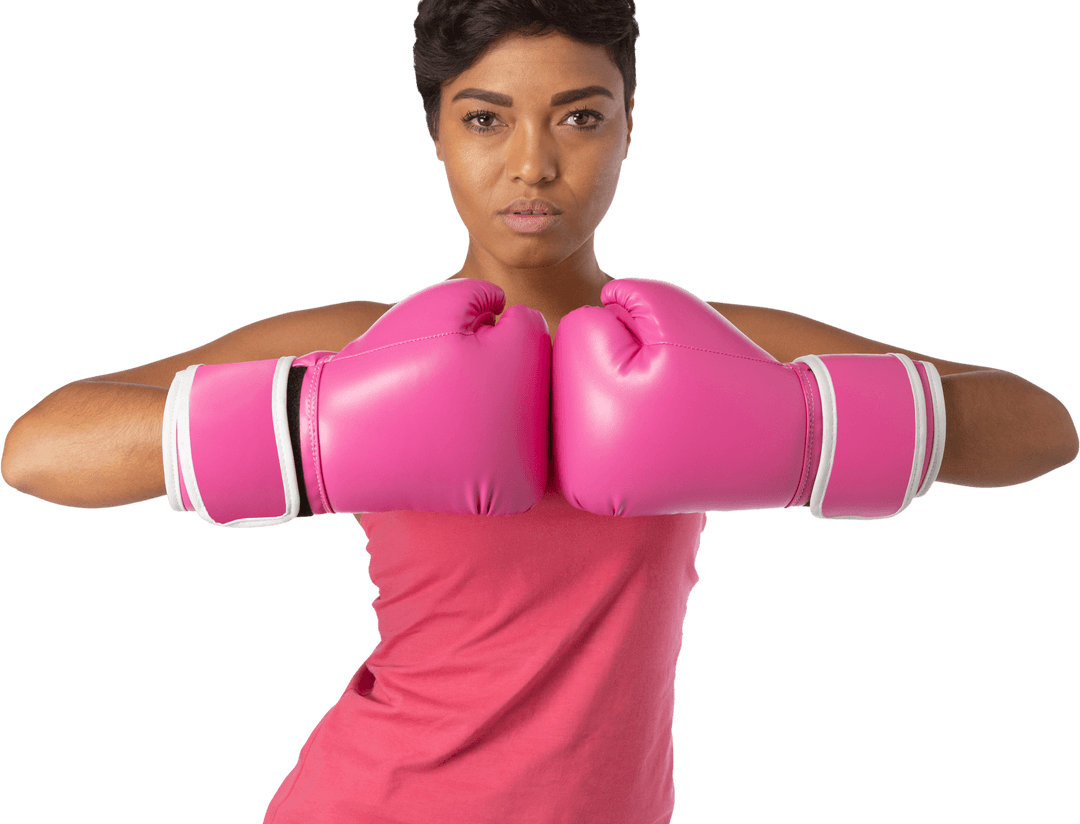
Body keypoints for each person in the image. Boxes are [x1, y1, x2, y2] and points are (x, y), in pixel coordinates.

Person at [2, 1, 1076, 822]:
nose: (532, 162)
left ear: (626, 127)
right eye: (486, 117)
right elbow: (38, 449)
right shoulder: (361, 341)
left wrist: (803, 432)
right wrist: (310, 428)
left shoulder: (720, 343)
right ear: (433, 130)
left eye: (578, 116)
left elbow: (1040, 424)